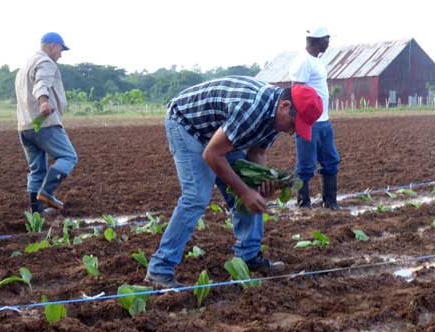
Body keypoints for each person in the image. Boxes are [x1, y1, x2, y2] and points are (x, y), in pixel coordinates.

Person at [145, 76, 323, 288]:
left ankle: (248, 256)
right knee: (196, 197)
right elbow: (212, 154)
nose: (292, 131)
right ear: (285, 106)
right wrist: (245, 193)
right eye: (294, 124)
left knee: (250, 186)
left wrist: (260, 181)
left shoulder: (275, 118)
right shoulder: (251, 109)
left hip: (222, 131)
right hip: (188, 125)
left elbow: (257, 151)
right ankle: (159, 269)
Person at [15, 32, 78, 214]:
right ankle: (47, 192)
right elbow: (41, 83)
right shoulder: (45, 62)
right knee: (68, 157)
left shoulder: (24, 67)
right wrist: (44, 101)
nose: (60, 54)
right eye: (60, 49)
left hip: (25, 126)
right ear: (52, 46)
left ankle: (37, 212)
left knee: (37, 170)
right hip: (44, 123)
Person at [289, 27, 341, 210]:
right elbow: (296, 92)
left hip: (324, 122)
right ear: (319, 40)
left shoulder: (316, 61)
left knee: (331, 160)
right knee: (305, 166)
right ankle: (302, 203)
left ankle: (331, 202)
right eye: (327, 39)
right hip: (309, 123)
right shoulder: (303, 62)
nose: (329, 42)